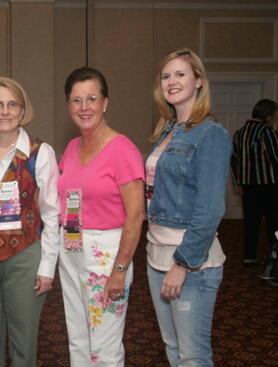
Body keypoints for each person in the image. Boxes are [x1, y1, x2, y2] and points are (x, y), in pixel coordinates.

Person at [0, 76, 60, 367]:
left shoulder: (41, 152)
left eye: (12, 104)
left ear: (22, 110)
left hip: (25, 252)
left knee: (24, 332)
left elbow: (52, 213)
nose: (5, 111)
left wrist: (47, 266)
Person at [145, 48, 231, 366]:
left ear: (198, 81)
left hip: (191, 264)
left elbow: (210, 210)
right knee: (172, 348)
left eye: (180, 74)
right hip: (157, 256)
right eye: (166, 76)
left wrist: (181, 265)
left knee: (192, 356)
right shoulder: (166, 132)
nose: (172, 81)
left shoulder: (211, 134)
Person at [57, 67, 145, 366]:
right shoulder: (71, 148)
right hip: (70, 249)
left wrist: (119, 269)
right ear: (68, 104)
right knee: (78, 339)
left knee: (104, 346)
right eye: (76, 100)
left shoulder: (123, 149)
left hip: (107, 255)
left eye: (91, 98)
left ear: (105, 102)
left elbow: (136, 217)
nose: (84, 107)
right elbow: (69, 201)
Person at [231, 99, 278, 267]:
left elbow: (233, 160)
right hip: (269, 186)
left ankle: (249, 256)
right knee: (274, 223)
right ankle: (274, 256)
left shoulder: (239, 133)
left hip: (248, 187)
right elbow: (275, 158)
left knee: (251, 223)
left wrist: (238, 183)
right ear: (269, 116)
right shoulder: (267, 132)